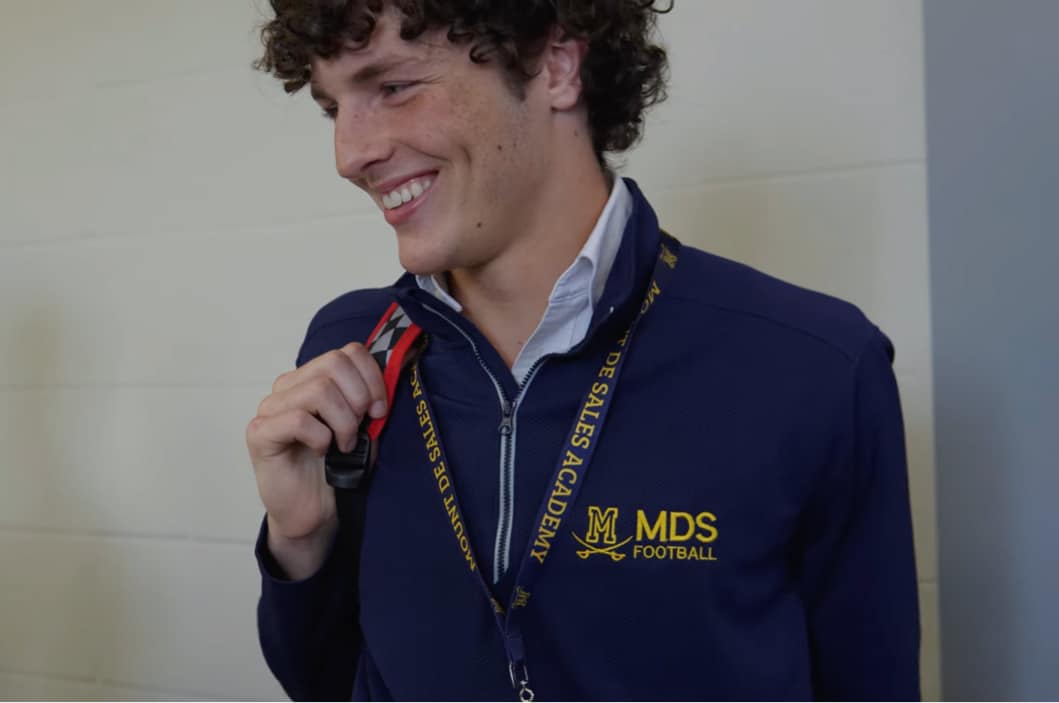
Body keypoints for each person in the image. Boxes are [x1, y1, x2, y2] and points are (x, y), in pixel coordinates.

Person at [246, 0, 921, 700]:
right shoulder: (352, 353)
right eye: (334, 108)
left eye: (392, 87)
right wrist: (299, 538)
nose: (350, 154)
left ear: (556, 66)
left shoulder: (816, 364)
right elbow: (326, 682)